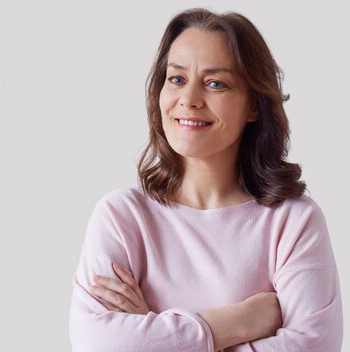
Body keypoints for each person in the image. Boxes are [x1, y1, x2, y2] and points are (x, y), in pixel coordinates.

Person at [68, 8, 343, 352]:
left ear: (254, 106)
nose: (189, 100)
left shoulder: (293, 221)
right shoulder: (122, 217)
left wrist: (153, 329)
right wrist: (240, 322)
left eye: (215, 83)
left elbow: (313, 347)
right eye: (177, 79)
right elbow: (98, 343)